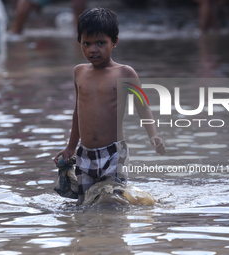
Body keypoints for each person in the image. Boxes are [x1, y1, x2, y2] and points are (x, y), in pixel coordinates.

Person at [54, 7, 165, 205]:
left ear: (114, 42)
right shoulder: (79, 72)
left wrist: (153, 135)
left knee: (113, 202)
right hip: (84, 153)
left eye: (101, 43)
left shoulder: (125, 73)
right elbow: (77, 113)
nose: (93, 49)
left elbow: (143, 106)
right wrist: (70, 147)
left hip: (114, 154)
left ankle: (115, 233)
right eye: (86, 43)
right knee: (84, 205)